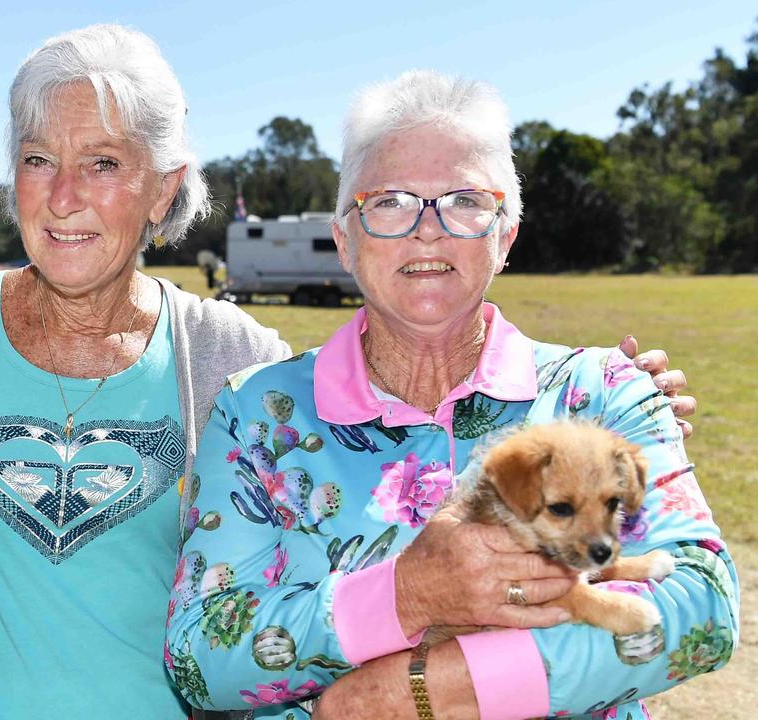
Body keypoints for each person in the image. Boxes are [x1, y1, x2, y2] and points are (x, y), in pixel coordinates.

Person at [0, 28, 695, 719]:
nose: (61, 197)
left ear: (163, 193)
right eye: (35, 158)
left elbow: (383, 493)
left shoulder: (238, 366)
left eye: (101, 164)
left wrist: (606, 431)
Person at [166, 71, 737, 720]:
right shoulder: (259, 413)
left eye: (464, 199)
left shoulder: (604, 391)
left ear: (506, 236)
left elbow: (703, 608)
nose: (427, 229)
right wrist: (406, 596)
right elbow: (200, 658)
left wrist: (411, 694)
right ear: (344, 240)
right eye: (388, 201)